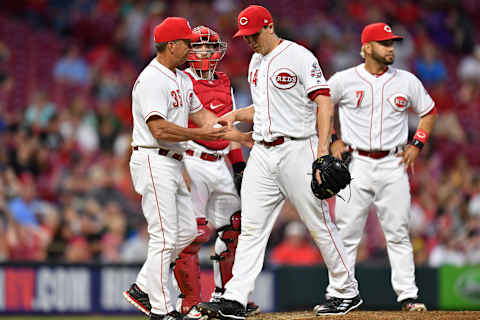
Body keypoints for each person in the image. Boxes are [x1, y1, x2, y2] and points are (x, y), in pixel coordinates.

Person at [197, 5, 361, 319]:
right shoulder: (255, 62)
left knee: (319, 224)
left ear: (269, 26)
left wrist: (323, 151)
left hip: (297, 148)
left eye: (254, 34)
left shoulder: (299, 56)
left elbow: (323, 102)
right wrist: (236, 114)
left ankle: (346, 291)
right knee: (251, 228)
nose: (250, 41)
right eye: (245, 36)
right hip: (262, 150)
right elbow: (265, 109)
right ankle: (235, 297)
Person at [121, 17, 247, 320]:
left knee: (188, 232)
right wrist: (202, 135)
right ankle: (162, 311)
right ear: (172, 45)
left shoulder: (179, 78)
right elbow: (160, 129)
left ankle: (141, 286)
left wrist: (236, 133)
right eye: (188, 42)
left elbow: (202, 115)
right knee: (164, 237)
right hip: (153, 158)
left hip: (173, 163)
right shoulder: (153, 78)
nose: (191, 48)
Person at [326, 22, 438, 312]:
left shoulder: (407, 80)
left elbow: (429, 111)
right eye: (384, 43)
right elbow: (321, 105)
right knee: (346, 233)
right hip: (356, 162)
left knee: (398, 233)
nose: (391, 48)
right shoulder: (343, 80)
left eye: (392, 44)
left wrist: (417, 144)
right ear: (366, 48)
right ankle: (340, 293)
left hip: (392, 162)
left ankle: (408, 296)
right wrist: (333, 139)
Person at [172, 25, 259, 319]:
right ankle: (189, 302)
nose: (206, 52)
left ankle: (227, 295)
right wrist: (178, 164)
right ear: (187, 50)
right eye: (199, 47)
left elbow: (229, 128)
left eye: (210, 47)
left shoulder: (223, 80)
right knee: (192, 234)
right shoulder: (179, 80)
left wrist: (238, 164)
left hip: (219, 161)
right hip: (192, 159)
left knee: (235, 227)